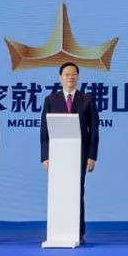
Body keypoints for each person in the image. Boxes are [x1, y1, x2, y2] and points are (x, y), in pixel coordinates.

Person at [40, 62, 100, 243]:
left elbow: (94, 130)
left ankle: (78, 231)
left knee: (76, 191)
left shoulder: (87, 99)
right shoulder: (51, 100)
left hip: (80, 154)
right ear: (60, 77)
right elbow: (44, 131)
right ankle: (58, 229)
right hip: (57, 154)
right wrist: (45, 156)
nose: (70, 77)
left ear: (78, 77)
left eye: (73, 74)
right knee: (59, 192)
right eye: (66, 74)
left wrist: (92, 156)